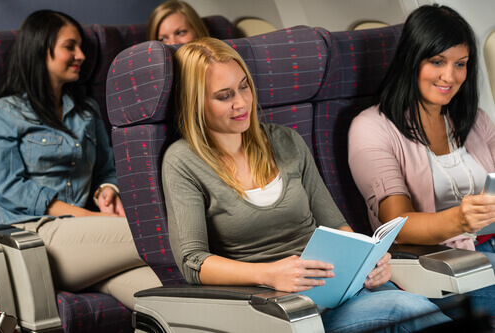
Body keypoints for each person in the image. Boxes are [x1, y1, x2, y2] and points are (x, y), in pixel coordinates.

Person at [161, 37, 450, 332]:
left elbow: (336, 225)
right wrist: (270, 274)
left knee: (414, 307)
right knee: (407, 311)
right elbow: (192, 262)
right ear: (196, 102)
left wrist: (367, 263)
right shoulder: (183, 161)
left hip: (338, 288)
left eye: (244, 86)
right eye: (224, 96)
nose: (241, 102)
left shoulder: (285, 141)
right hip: (282, 308)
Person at [0, 10, 161, 310]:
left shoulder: (87, 110)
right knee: (157, 229)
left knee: (166, 296)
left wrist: (106, 190)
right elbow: (10, 189)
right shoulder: (4, 112)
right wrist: (90, 217)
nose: (81, 55)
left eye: (81, 47)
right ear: (39, 49)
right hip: (34, 235)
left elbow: (106, 168)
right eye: (70, 46)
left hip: (87, 240)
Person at [348, 4, 495, 322]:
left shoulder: (475, 121)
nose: (450, 76)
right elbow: (395, 226)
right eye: (437, 62)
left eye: (461, 64)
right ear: (412, 61)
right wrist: (459, 220)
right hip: (441, 265)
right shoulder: (372, 128)